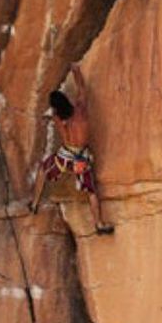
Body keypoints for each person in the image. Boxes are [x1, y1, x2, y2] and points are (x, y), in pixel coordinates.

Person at [29, 65, 114, 232]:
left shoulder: (57, 118)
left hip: (65, 158)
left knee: (43, 169)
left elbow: (55, 119)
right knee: (91, 191)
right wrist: (76, 71)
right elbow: (82, 88)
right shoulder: (80, 109)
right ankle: (99, 224)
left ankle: (34, 204)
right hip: (81, 158)